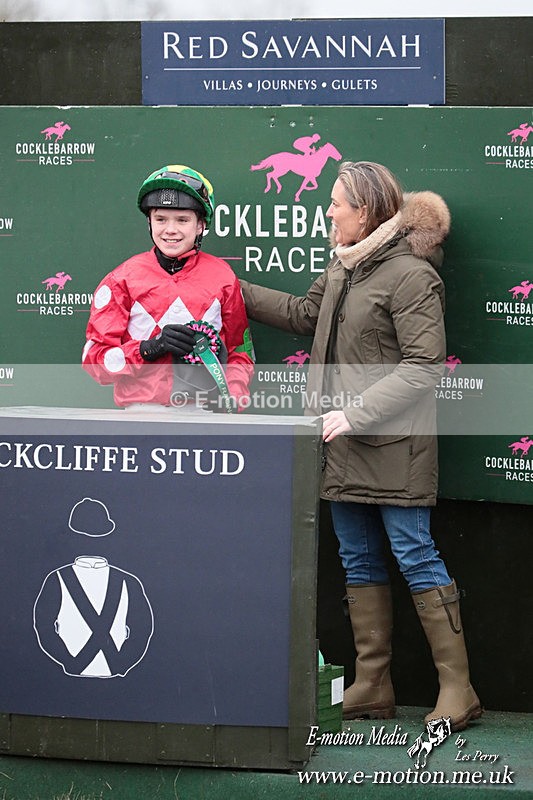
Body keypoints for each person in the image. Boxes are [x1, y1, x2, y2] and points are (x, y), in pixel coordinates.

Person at [240, 160, 481, 732]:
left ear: (367, 210)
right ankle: (373, 685)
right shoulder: (344, 269)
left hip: (393, 445)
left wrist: (355, 413)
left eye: (337, 202)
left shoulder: (413, 276)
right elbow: (304, 314)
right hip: (342, 445)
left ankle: (459, 689)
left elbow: (425, 367)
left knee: (415, 556)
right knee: (357, 559)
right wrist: (230, 288)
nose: (328, 211)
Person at [82, 164, 254, 410]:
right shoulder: (122, 279)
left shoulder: (223, 277)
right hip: (141, 415)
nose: (170, 230)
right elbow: (94, 362)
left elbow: (241, 352)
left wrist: (232, 397)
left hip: (204, 414)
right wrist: (149, 348)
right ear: (149, 222)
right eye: (161, 219)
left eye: (182, 220)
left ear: (200, 225)